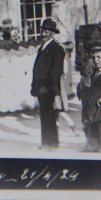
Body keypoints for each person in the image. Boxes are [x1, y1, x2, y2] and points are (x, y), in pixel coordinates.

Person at [30, 19, 66, 150]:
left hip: (49, 87)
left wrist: (47, 86)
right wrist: (34, 86)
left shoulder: (57, 49)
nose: (43, 33)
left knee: (50, 115)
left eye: (47, 31)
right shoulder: (43, 47)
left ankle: (52, 143)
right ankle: (45, 141)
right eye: (42, 31)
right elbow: (37, 69)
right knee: (44, 114)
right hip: (41, 87)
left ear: (52, 33)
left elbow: (56, 71)